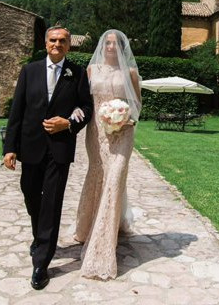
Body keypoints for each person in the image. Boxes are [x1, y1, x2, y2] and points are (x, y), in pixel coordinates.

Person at [2, 25, 94, 290]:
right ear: (46, 43)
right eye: (53, 40)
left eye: (62, 40)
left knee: (51, 203)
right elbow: (16, 111)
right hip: (30, 147)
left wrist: (68, 122)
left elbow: (86, 107)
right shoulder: (29, 71)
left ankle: (41, 262)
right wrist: (10, 147)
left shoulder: (76, 73)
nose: (58, 44)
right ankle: (38, 235)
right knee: (30, 194)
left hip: (59, 149)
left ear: (69, 45)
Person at [73, 29, 142, 280]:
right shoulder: (92, 71)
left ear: (123, 48)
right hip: (96, 133)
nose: (111, 47)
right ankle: (86, 225)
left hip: (122, 134)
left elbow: (137, 104)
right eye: (108, 43)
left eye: (116, 43)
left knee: (114, 179)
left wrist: (127, 119)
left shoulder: (131, 73)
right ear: (103, 46)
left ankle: (103, 240)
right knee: (98, 175)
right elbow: (85, 102)